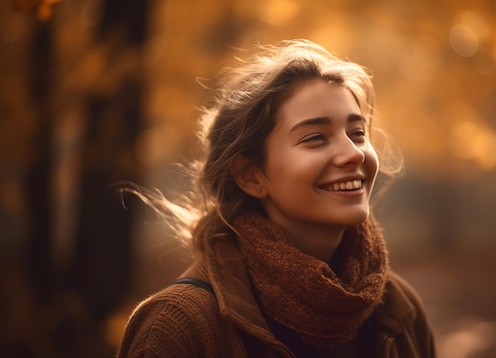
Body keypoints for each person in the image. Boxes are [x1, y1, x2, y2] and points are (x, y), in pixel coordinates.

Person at [118, 39, 436, 358]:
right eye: (315, 138)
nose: (353, 153)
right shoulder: (178, 328)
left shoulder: (400, 310)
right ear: (251, 177)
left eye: (357, 133)